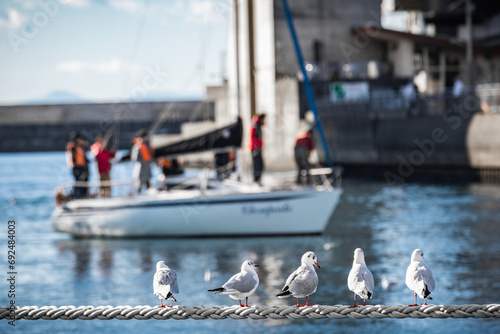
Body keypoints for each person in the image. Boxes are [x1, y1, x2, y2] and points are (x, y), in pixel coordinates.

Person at [66, 132, 89, 199]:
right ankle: (78, 196)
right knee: (79, 183)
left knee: (82, 182)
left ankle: (82, 196)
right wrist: (75, 168)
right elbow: (73, 158)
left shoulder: (80, 147)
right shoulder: (73, 147)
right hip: (77, 168)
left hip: (81, 167)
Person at [131, 129, 154, 193]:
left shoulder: (147, 145)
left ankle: (149, 194)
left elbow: (151, 155)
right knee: (140, 183)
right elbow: (135, 158)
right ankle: (138, 194)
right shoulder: (137, 146)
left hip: (147, 167)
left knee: (147, 182)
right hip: (141, 167)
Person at [249, 113, 266, 185]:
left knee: (261, 165)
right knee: (257, 165)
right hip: (255, 149)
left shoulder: (258, 125)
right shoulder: (255, 125)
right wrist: (255, 147)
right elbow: (253, 137)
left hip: (258, 148)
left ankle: (258, 180)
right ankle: (256, 181)